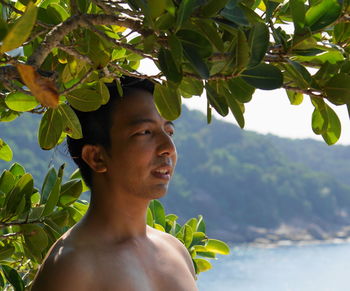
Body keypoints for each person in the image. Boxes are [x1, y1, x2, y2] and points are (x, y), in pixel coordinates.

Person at [31, 77, 198, 291]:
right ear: (96, 157)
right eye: (145, 132)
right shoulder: (72, 266)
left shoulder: (176, 250)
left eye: (169, 131)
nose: (168, 147)